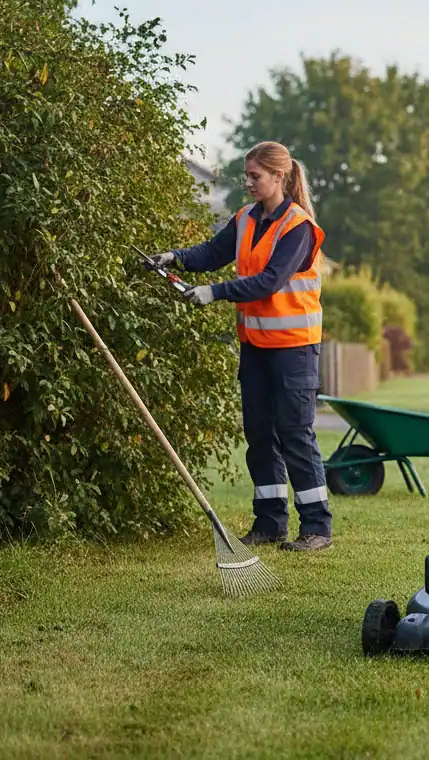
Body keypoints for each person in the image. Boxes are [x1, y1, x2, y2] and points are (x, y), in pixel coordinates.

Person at [148, 141, 333, 552]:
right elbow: (212, 252)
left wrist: (213, 293)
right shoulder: (246, 219)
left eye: (255, 176)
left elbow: (269, 281)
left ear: (279, 177)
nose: (248, 182)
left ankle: (317, 528)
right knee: (260, 436)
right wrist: (174, 258)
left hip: (294, 349)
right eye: (246, 175)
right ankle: (269, 524)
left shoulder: (298, 228)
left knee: (295, 434)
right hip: (255, 346)